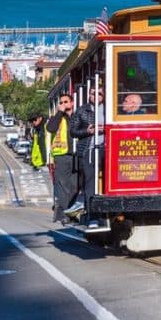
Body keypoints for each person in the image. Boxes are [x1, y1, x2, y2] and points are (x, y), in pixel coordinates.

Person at [69, 87, 105, 227]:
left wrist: (106, 129)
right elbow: (73, 131)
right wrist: (87, 131)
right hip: (89, 151)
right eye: (93, 93)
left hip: (107, 149)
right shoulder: (82, 110)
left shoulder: (110, 109)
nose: (96, 96)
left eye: (99, 93)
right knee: (90, 183)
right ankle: (92, 216)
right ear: (89, 95)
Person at [45, 92, 77, 224]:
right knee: (63, 185)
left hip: (77, 154)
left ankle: (73, 210)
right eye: (61, 102)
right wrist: (59, 113)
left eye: (66, 102)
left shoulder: (78, 115)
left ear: (72, 103)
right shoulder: (58, 117)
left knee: (75, 185)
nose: (64, 104)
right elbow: (50, 128)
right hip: (62, 155)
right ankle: (64, 214)